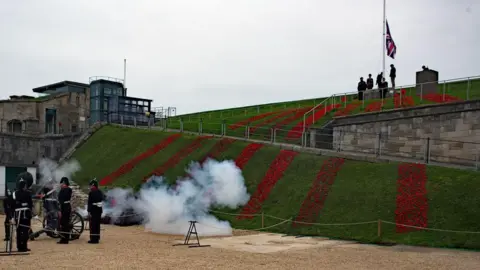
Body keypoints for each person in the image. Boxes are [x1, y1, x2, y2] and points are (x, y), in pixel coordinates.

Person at [13, 180, 33, 252]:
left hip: (17, 214)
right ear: (24, 186)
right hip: (25, 214)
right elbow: (30, 204)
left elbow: (14, 203)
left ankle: (19, 246)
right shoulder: (27, 193)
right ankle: (24, 246)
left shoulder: (15, 193)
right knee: (25, 230)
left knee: (18, 231)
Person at [87, 179, 104, 244]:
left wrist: (89, 211)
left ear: (93, 185)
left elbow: (89, 202)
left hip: (94, 210)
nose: (90, 187)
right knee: (96, 225)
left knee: (93, 225)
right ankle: (96, 238)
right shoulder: (99, 192)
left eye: (91, 185)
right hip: (98, 209)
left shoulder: (91, 192)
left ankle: (94, 239)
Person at [57, 177, 72, 244]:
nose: (61, 184)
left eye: (62, 183)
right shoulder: (63, 189)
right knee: (63, 223)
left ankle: (65, 239)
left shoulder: (67, 189)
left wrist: (60, 209)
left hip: (65, 207)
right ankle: (63, 238)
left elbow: (62, 199)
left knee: (65, 223)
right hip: (64, 206)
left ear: (64, 183)